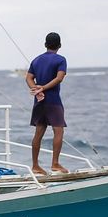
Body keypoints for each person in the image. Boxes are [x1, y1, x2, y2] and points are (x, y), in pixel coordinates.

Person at [26, 32, 69, 175]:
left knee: (39, 131)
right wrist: (43, 88)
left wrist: (36, 90)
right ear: (60, 45)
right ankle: (55, 164)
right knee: (58, 130)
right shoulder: (60, 59)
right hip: (53, 100)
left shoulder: (36, 60)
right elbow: (59, 78)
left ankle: (35, 166)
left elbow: (29, 78)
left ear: (45, 45)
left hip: (39, 100)